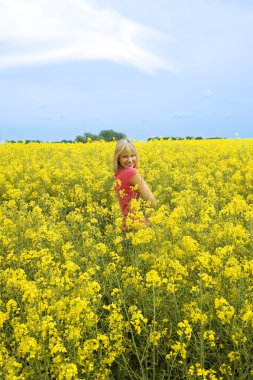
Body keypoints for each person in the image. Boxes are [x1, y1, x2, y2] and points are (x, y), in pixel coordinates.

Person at [113, 138, 156, 231]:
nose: (130, 160)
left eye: (132, 155)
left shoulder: (117, 174)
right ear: (118, 158)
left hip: (126, 225)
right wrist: (148, 220)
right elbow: (152, 201)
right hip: (138, 226)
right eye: (125, 156)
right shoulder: (132, 172)